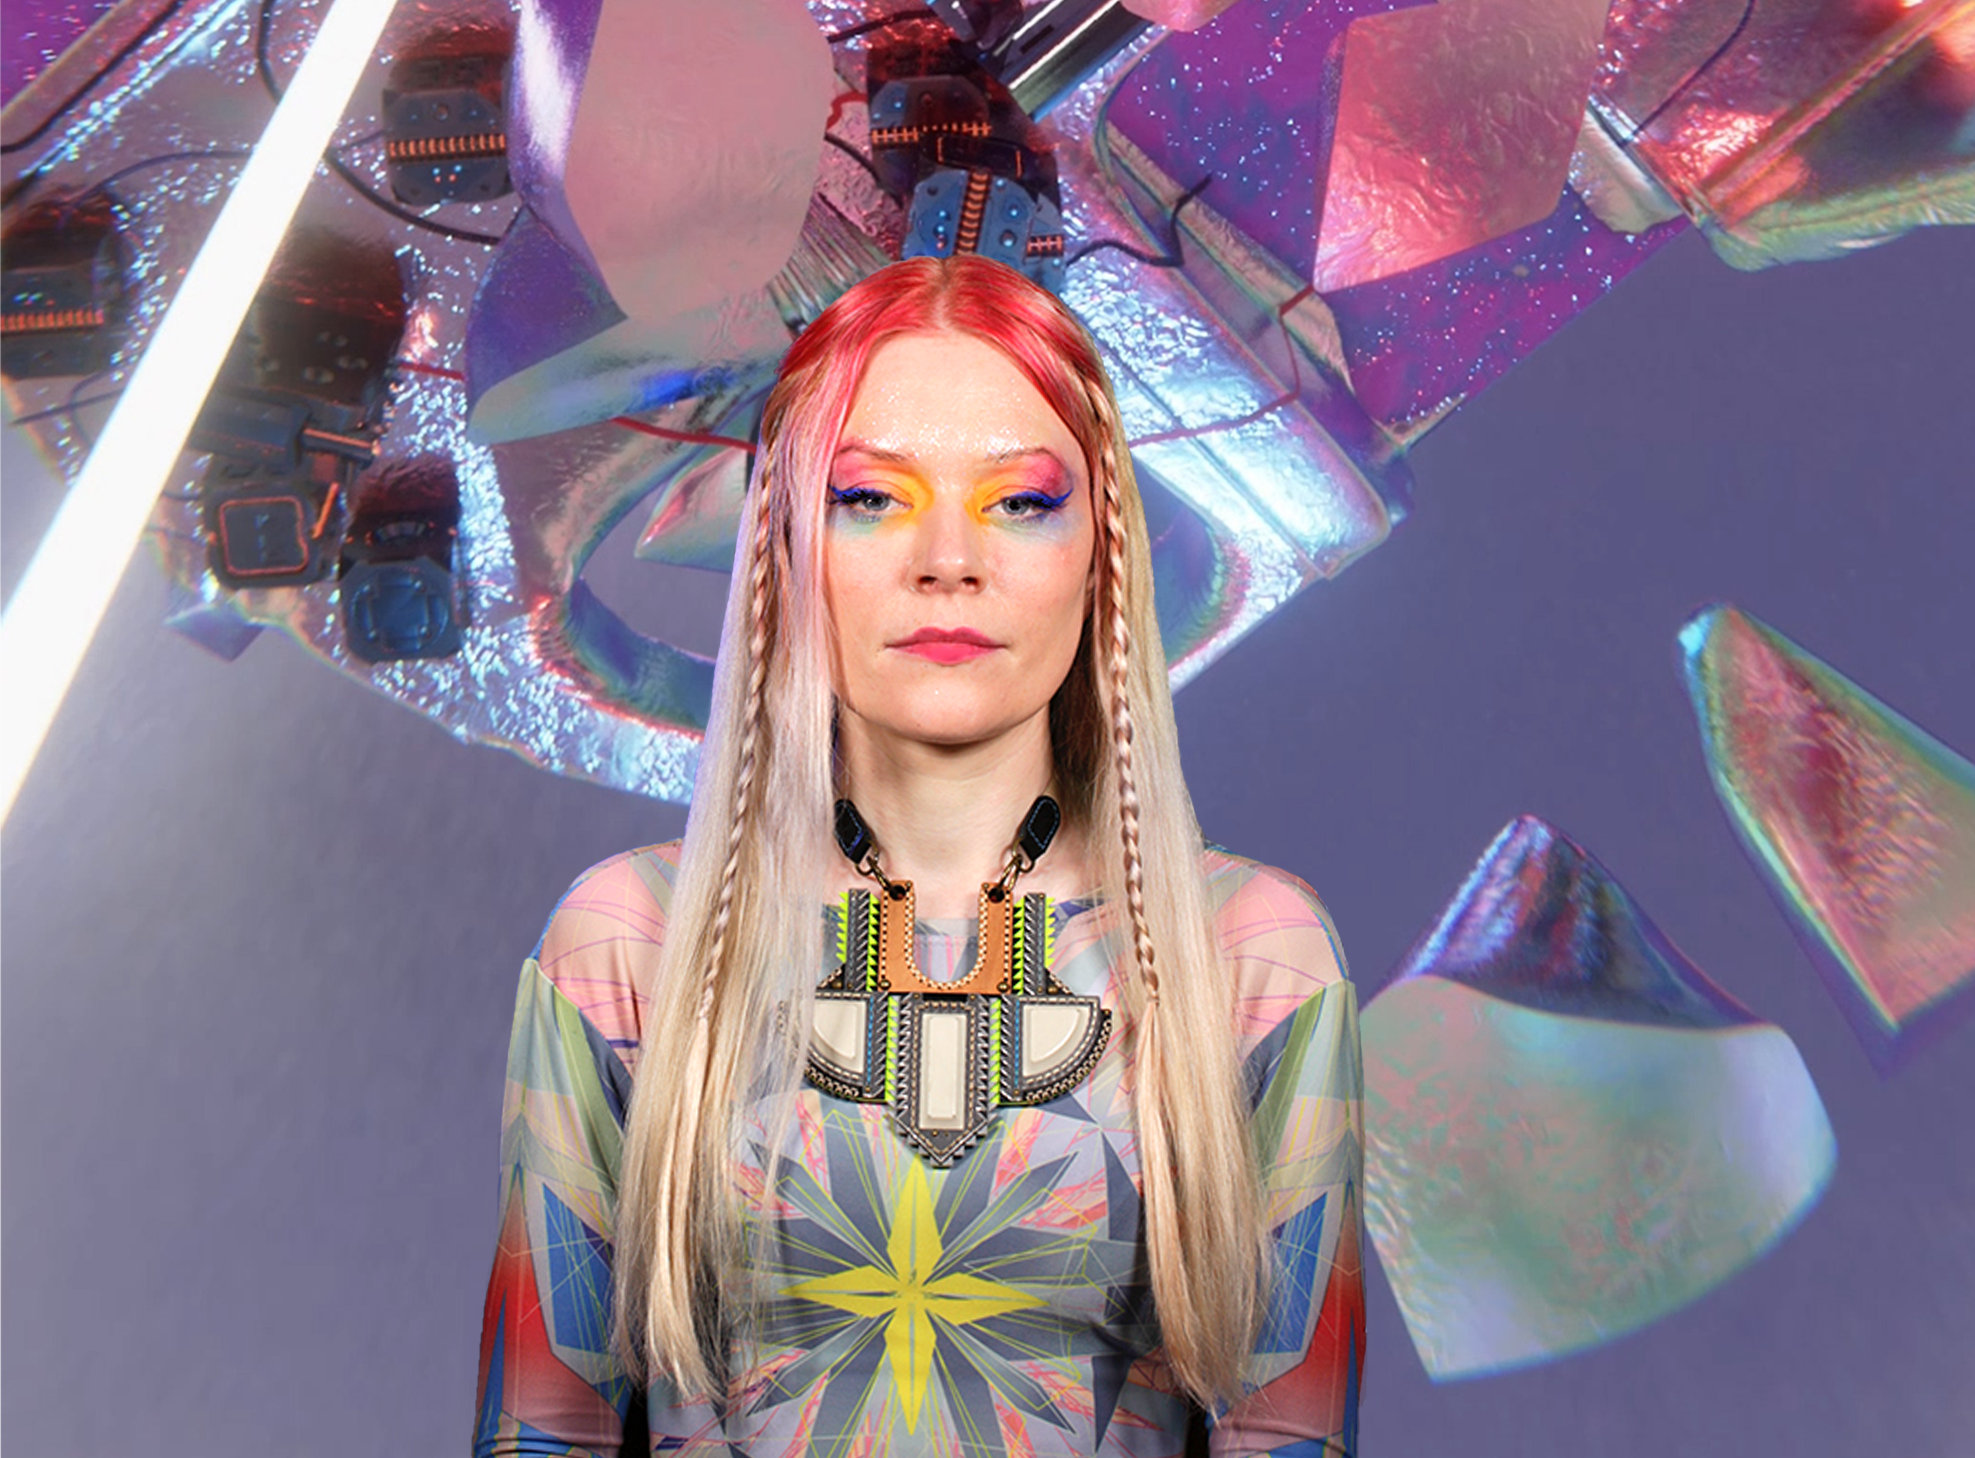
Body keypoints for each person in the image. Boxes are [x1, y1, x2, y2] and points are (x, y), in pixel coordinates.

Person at [472, 255, 1364, 1456]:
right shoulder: (632, 941)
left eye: (1020, 500)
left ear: (1103, 551)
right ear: (784, 544)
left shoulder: (1249, 956)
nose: (948, 557)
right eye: (870, 496)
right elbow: (537, 1436)